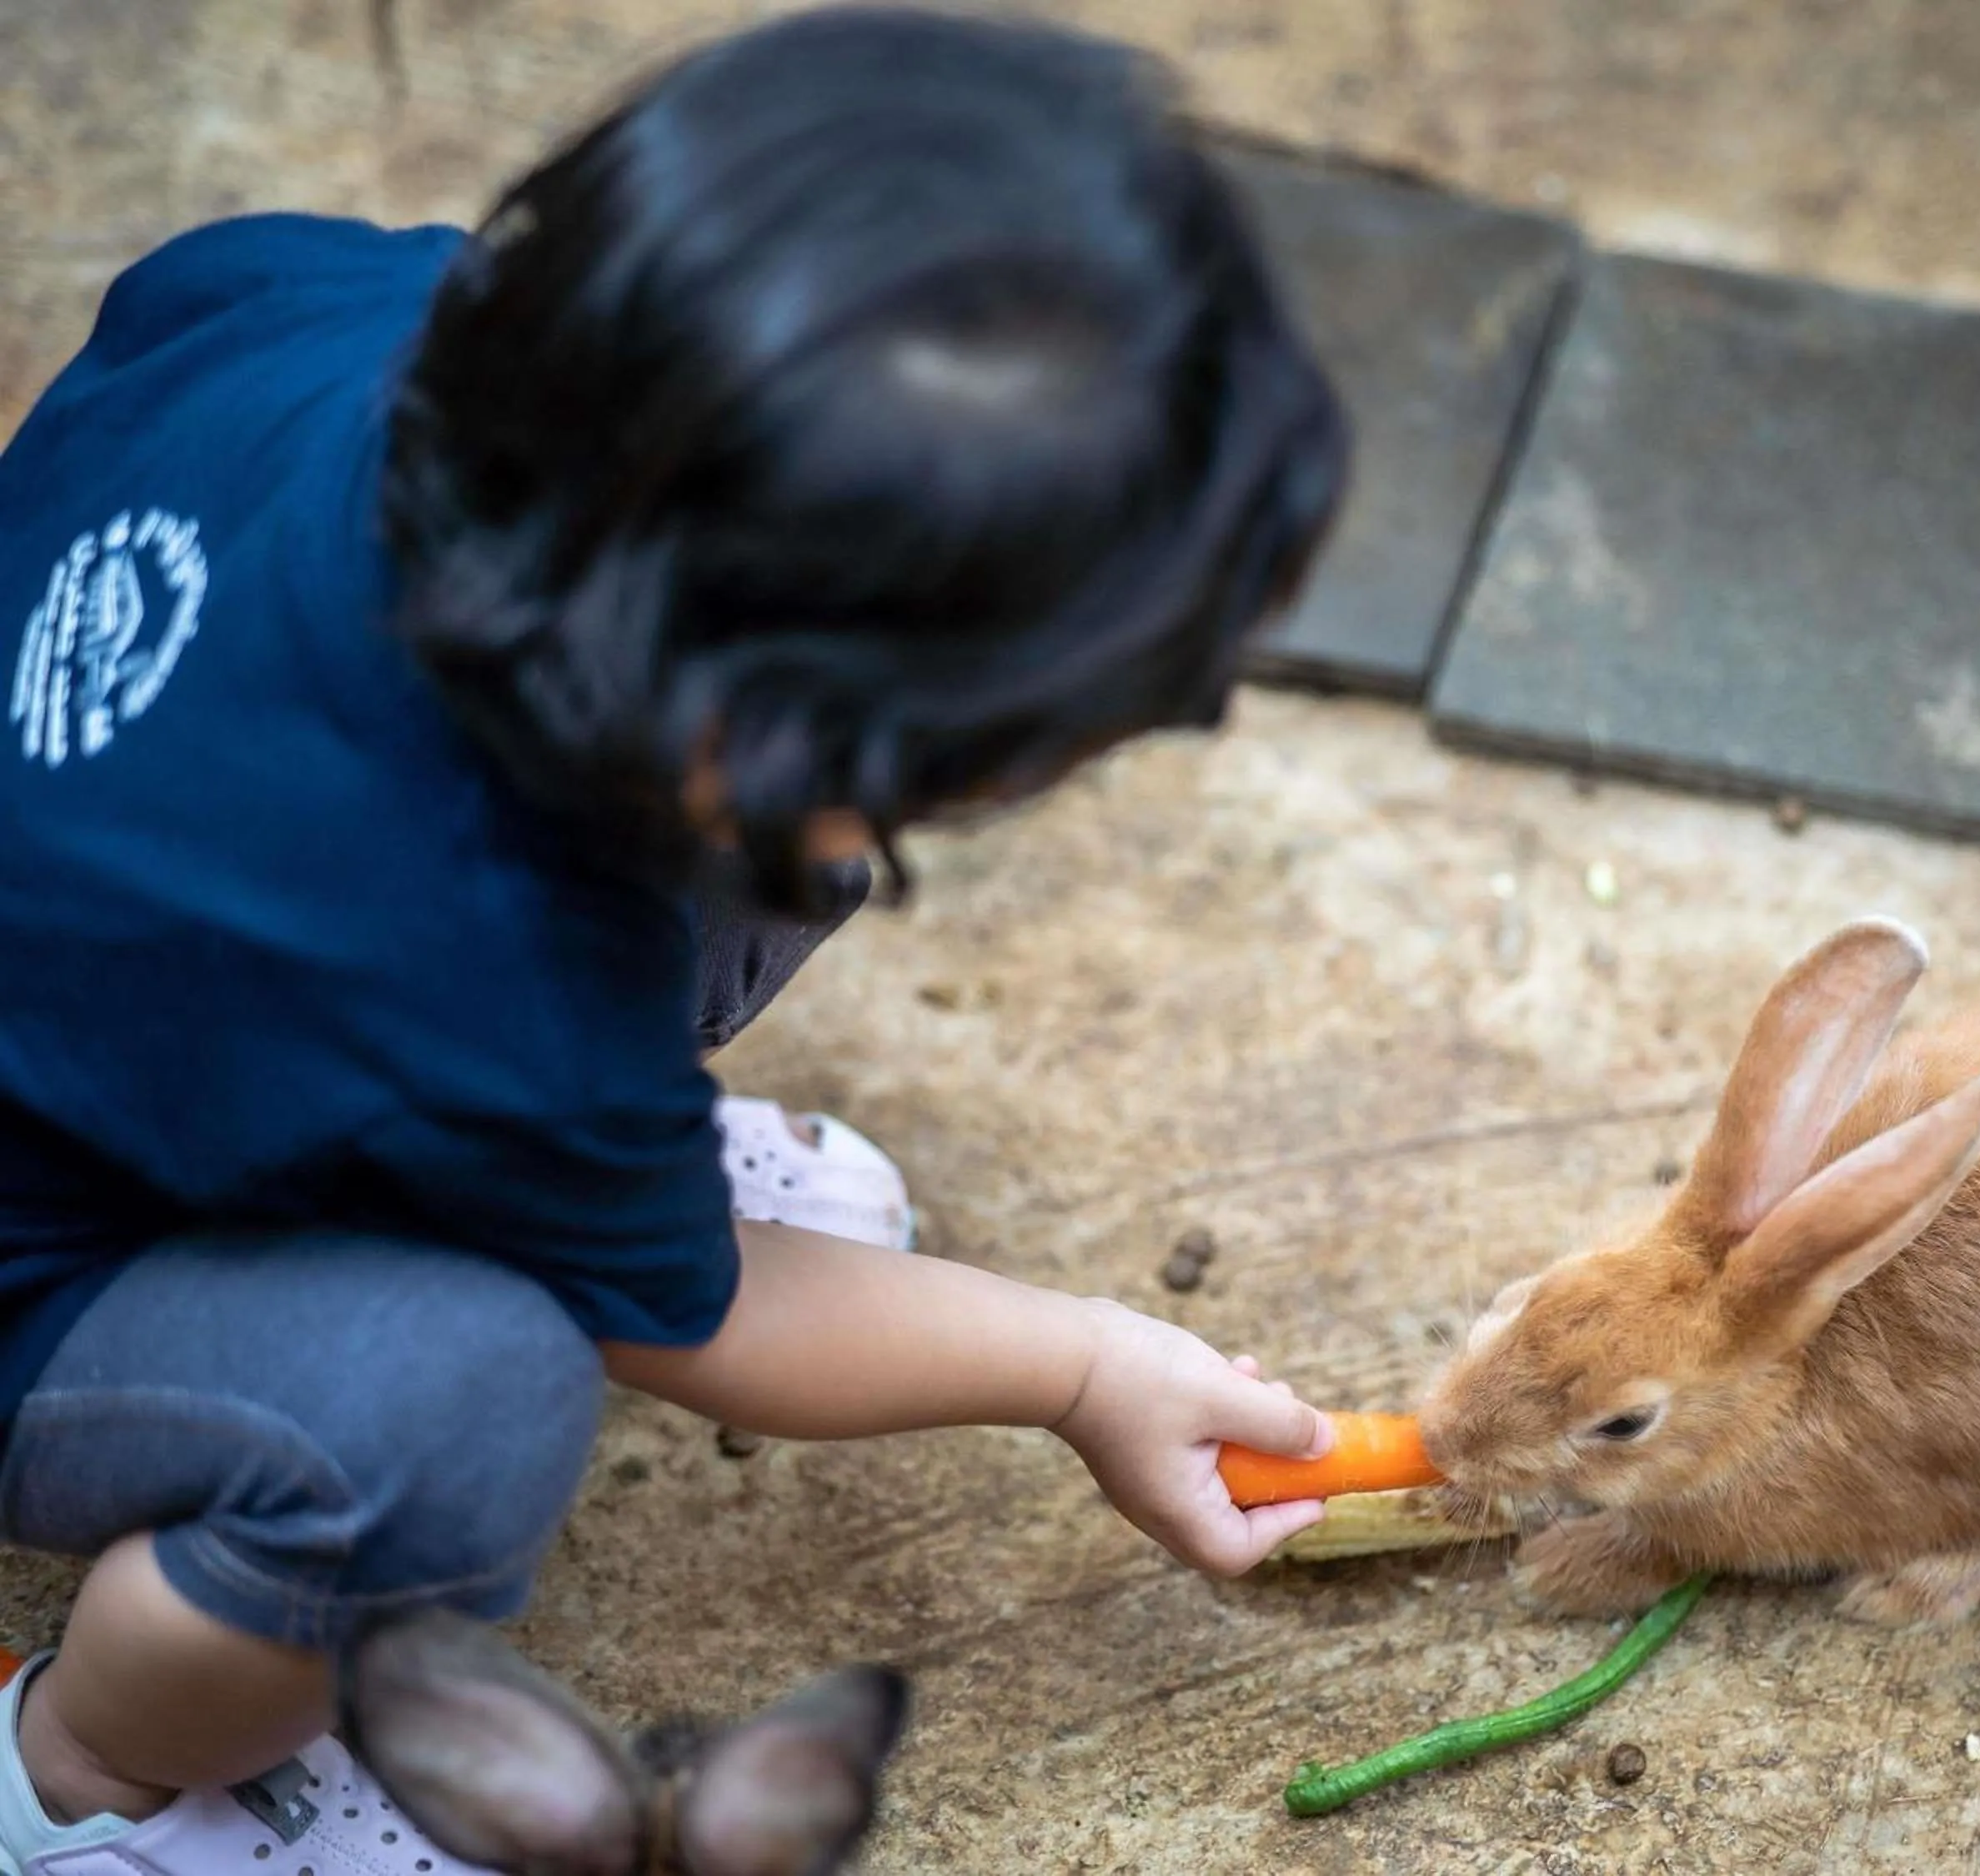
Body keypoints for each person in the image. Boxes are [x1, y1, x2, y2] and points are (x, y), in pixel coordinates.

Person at [0, 9, 1349, 1871]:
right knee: (450, 1416)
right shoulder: (491, 960)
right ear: (745, 726)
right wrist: (1081, 1366)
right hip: (49, 1246)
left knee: (752, 881)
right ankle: (85, 1779)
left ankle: (533, 1177)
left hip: (170, 975)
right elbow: (711, 1328)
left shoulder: (379, 322)